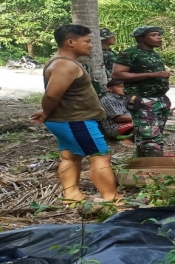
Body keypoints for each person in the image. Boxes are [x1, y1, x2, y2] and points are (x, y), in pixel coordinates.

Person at [30, 25, 120, 204]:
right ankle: (112, 198)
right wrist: (47, 111)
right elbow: (51, 94)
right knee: (100, 157)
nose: (91, 45)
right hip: (76, 120)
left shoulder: (61, 61)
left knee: (71, 156)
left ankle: (72, 195)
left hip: (67, 120)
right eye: (86, 41)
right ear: (70, 42)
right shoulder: (64, 64)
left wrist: (47, 112)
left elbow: (58, 95)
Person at [111, 26, 171, 157]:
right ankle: (158, 174)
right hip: (143, 100)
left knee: (153, 136)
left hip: (159, 99)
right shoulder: (130, 53)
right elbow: (117, 74)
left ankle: (141, 168)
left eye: (159, 35)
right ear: (141, 38)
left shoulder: (154, 54)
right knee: (150, 140)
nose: (159, 37)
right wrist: (152, 75)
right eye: (153, 35)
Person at [100, 80, 134, 147]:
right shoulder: (108, 99)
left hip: (125, 124)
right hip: (115, 128)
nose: (123, 88)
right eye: (120, 87)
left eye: (124, 86)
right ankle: (126, 140)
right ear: (110, 89)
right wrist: (138, 117)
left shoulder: (121, 98)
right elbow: (118, 118)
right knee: (142, 122)